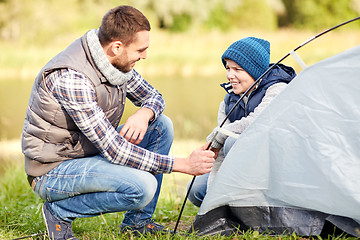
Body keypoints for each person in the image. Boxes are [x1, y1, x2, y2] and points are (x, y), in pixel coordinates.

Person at [21, 5, 215, 240]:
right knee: (142, 187)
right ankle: (59, 212)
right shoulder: (72, 78)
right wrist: (182, 164)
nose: (144, 56)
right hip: (53, 170)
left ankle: (137, 222)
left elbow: (154, 97)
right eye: (141, 50)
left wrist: (144, 113)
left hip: (86, 153)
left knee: (160, 126)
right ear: (116, 46)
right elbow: (115, 150)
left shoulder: (113, 63)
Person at [187, 37, 296, 207]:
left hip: (277, 172)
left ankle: (258, 208)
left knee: (233, 140)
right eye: (228, 68)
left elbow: (257, 122)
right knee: (196, 190)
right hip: (241, 170)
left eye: (237, 69)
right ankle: (233, 209)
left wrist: (221, 133)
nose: (230, 75)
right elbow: (220, 152)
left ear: (255, 71)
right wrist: (211, 204)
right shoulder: (227, 102)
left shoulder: (277, 88)